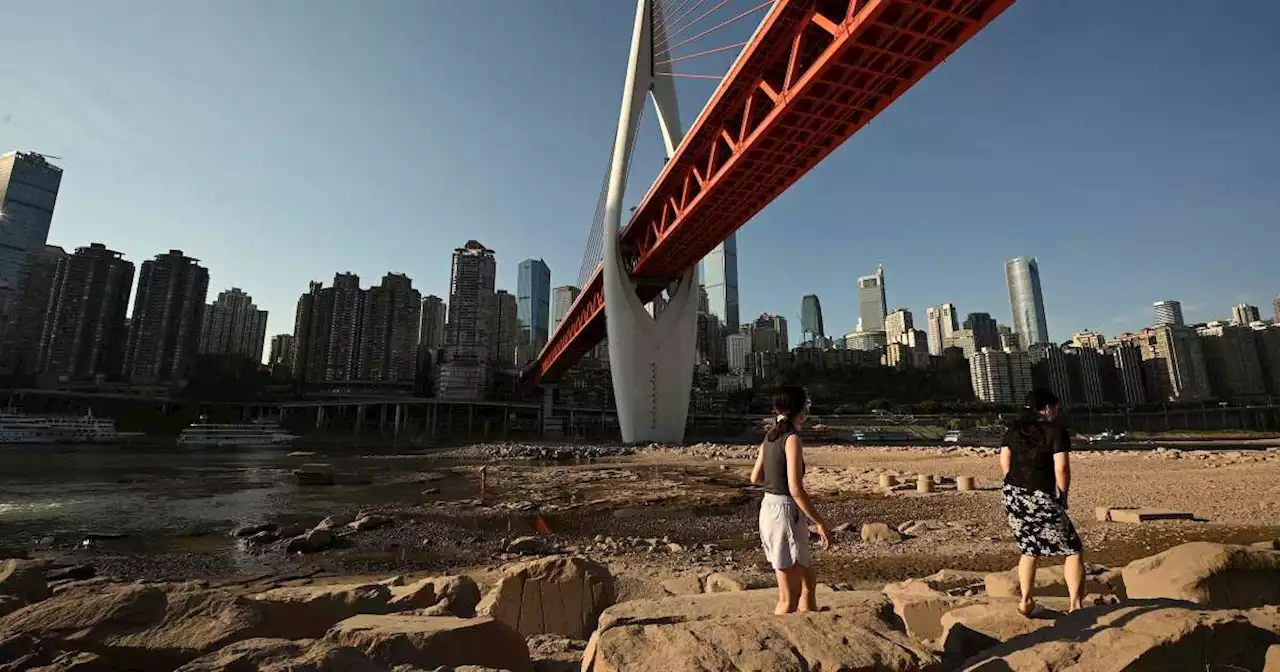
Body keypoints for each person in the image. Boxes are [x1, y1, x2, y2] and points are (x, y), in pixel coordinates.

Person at [999, 388, 1086, 615]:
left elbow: (1005, 464)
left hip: (1013, 494)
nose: (1057, 411)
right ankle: (1076, 606)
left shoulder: (1014, 430)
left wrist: (1016, 488)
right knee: (1073, 549)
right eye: (1055, 406)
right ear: (1047, 408)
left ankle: (1026, 602)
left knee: (1029, 548)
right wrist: (1062, 495)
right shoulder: (1055, 432)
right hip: (1040, 494)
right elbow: (1062, 468)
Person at [750, 386, 831, 614]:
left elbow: (755, 477)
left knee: (807, 579)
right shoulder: (791, 438)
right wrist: (820, 522)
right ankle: (785, 642)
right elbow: (796, 489)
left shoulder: (770, 436)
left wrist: (775, 482)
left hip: (769, 507)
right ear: (801, 409)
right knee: (789, 597)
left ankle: (811, 619)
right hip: (785, 511)